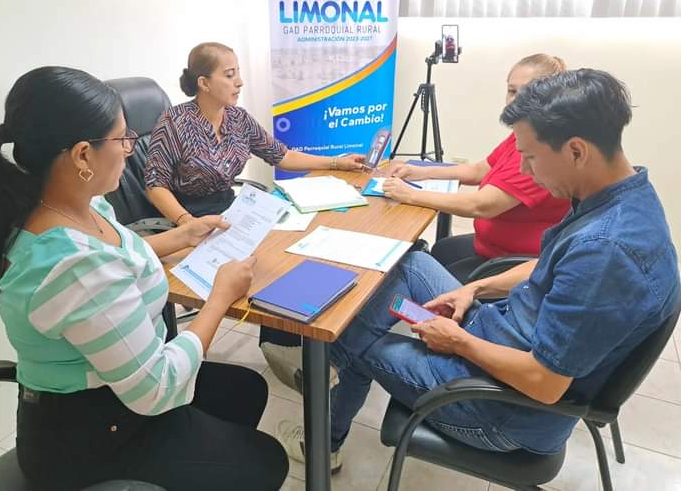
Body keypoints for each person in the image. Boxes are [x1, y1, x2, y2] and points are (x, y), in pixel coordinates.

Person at [276, 69, 680, 470]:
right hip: (503, 335)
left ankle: (323, 442)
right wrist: (473, 289)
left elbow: (545, 384)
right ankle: (330, 366)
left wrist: (458, 342)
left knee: (362, 343)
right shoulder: (623, 195)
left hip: (502, 410)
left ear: (576, 151)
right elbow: (547, 265)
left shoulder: (606, 252)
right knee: (410, 264)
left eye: (531, 158)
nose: (525, 172)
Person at [0, 67, 288, 491]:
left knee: (245, 390)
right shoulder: (73, 267)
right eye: (122, 139)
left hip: (117, 388)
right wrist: (219, 298)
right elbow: (158, 388)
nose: (131, 149)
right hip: (90, 436)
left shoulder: (75, 206)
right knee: (265, 462)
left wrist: (183, 234)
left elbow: (117, 255)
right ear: (83, 155)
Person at [384, 54, 571, 282]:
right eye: (512, 91)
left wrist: (410, 195)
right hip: (491, 245)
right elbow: (480, 170)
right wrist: (422, 172)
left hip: (512, 262)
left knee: (413, 265)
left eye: (527, 94)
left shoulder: (542, 149)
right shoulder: (523, 132)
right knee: (441, 249)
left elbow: (481, 205)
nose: (515, 102)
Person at [144, 41, 365, 223]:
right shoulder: (174, 122)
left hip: (229, 209)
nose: (239, 82)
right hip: (185, 217)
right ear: (204, 83)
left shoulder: (238, 118)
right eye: (229, 75)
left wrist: (337, 162)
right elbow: (155, 186)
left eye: (238, 73)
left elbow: (282, 155)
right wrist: (187, 223)